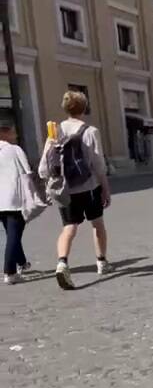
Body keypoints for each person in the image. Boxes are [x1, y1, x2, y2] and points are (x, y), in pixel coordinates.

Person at [39, 91, 113, 290]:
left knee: (69, 227)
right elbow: (98, 164)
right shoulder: (90, 131)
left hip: (65, 190)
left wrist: (50, 186)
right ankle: (102, 261)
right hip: (88, 187)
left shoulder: (55, 131)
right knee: (97, 224)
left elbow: (43, 168)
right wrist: (105, 189)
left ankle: (62, 262)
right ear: (84, 108)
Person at [0, 115, 31, 285]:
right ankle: (9, 272)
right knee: (13, 235)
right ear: (5, 133)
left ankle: (22, 262)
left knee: (12, 233)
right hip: (14, 199)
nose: (16, 136)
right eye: (13, 132)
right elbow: (27, 173)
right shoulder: (15, 150)